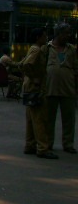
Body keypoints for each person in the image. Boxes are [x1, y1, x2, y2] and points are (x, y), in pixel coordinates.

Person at [22, 28, 57, 159]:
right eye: (44, 36)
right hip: (36, 88)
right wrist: (35, 78)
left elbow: (22, 64)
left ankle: (30, 144)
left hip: (29, 88)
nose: (46, 38)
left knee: (31, 118)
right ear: (38, 37)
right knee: (40, 119)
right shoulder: (37, 50)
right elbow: (27, 65)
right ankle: (42, 148)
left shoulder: (32, 48)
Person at [45, 22, 78, 154]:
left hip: (68, 89)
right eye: (66, 33)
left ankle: (68, 144)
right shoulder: (47, 48)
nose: (68, 36)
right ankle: (47, 143)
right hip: (50, 88)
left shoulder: (71, 49)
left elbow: (76, 69)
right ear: (58, 34)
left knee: (69, 119)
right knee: (48, 119)